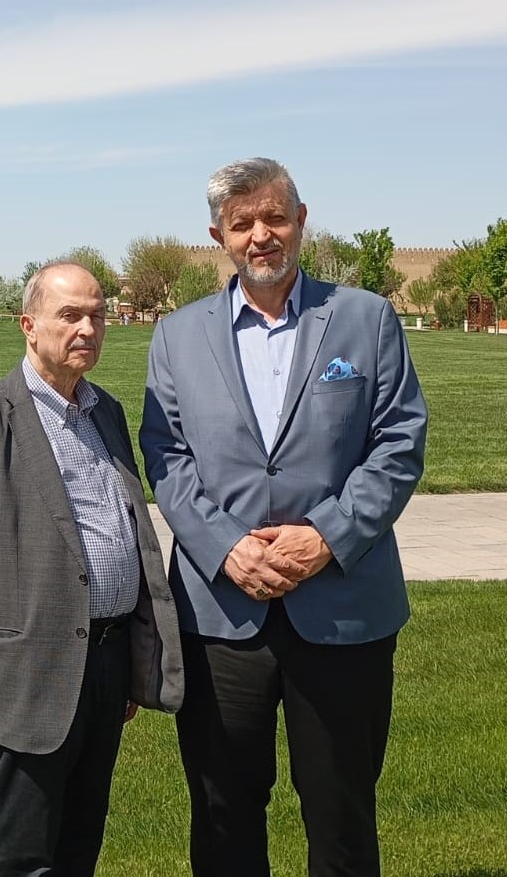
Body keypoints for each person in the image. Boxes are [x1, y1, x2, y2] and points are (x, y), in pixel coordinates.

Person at [140, 158, 428, 877]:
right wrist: (226, 547)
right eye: (243, 225)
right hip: (221, 618)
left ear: (302, 220)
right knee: (224, 816)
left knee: (341, 820)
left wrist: (326, 538)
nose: (261, 235)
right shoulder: (177, 337)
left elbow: (398, 444)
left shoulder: (365, 320)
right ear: (220, 237)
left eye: (274, 218)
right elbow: (166, 455)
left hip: (343, 613)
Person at [0, 262, 184, 877]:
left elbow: (130, 532)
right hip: (26, 677)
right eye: (70, 315)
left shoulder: (106, 413)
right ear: (28, 325)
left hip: (105, 665)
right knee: (18, 859)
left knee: (78, 849)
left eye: (97, 315)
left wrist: (131, 665)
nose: (88, 328)